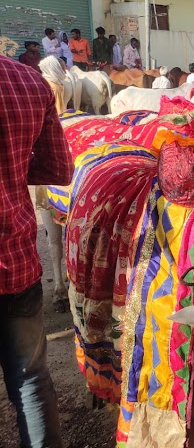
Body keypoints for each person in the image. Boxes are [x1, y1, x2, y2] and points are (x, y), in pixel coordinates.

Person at [1, 54, 73, 448]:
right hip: (17, 264)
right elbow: (61, 171)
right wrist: (11, 173)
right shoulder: (28, 82)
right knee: (30, 379)